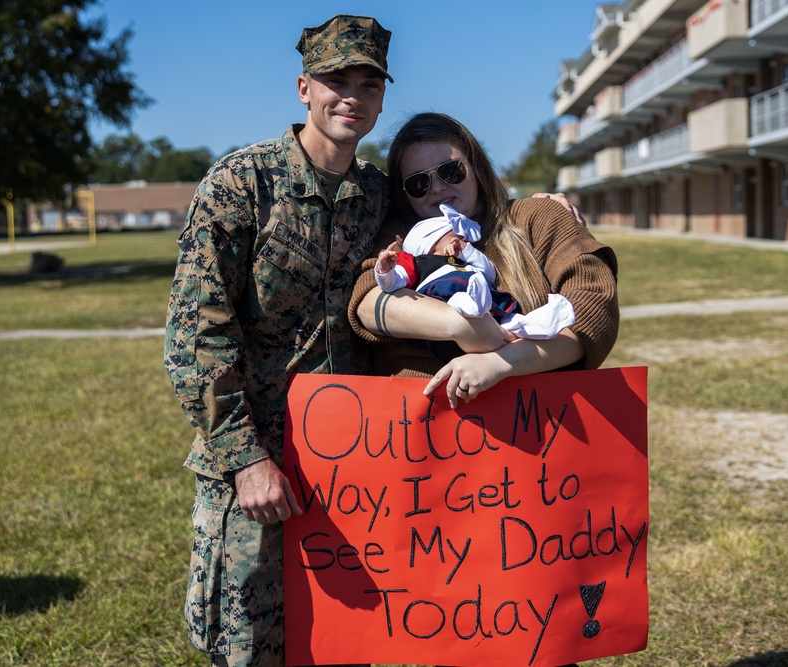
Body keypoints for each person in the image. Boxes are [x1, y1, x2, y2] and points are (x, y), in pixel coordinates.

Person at [163, 14, 392, 667]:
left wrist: (546, 206)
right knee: (249, 648)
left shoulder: (377, 196)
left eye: (368, 83)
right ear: (303, 88)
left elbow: (462, 220)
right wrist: (245, 458)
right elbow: (195, 333)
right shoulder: (243, 183)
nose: (351, 95)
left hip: (349, 466)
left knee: (346, 642)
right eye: (334, 79)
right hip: (255, 470)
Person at [350, 112, 620, 410]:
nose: (437, 188)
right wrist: (462, 326)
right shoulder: (403, 236)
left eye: (450, 171)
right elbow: (366, 302)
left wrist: (500, 363)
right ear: (405, 195)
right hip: (421, 434)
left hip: (535, 427)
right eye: (418, 183)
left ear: (476, 166)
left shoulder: (538, 217)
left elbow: (594, 308)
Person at [374, 202, 576, 345]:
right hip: (445, 296)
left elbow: (488, 272)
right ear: (431, 240)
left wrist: (467, 251)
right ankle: (473, 305)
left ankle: (544, 322)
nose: (462, 238)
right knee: (459, 300)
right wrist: (385, 269)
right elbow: (394, 283)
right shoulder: (418, 262)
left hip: (484, 298)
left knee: (511, 321)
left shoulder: (464, 262)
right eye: (455, 234)